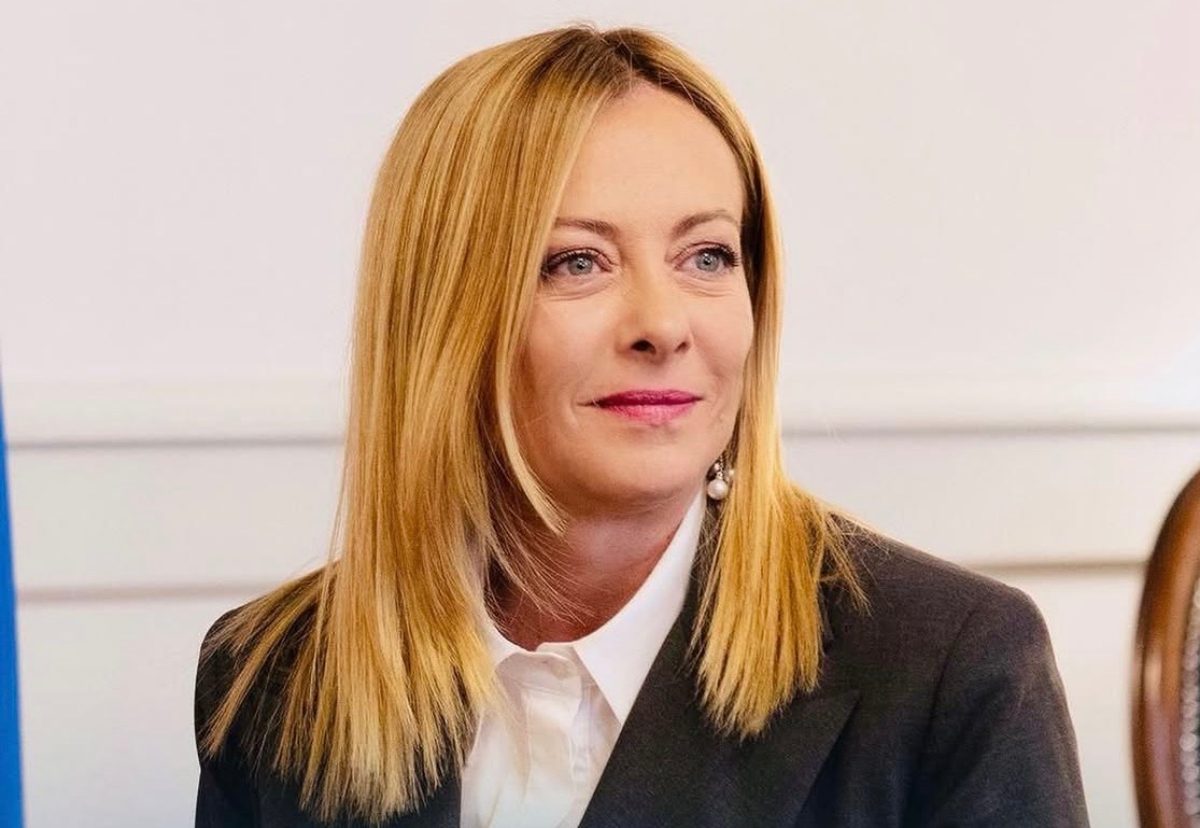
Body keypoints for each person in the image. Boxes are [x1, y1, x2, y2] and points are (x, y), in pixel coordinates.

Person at [193, 23, 1089, 827]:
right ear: (442, 312)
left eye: (707, 256)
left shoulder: (953, 670)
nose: (663, 324)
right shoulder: (270, 678)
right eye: (577, 262)